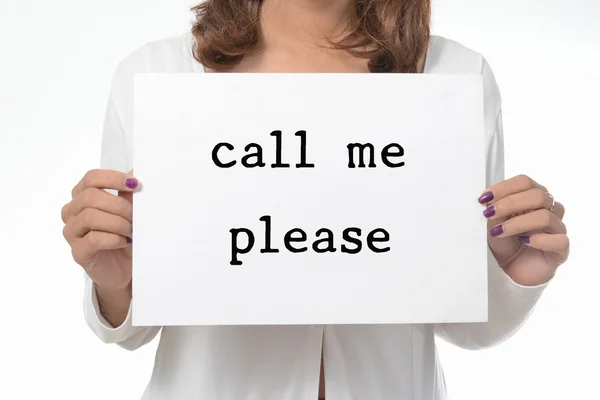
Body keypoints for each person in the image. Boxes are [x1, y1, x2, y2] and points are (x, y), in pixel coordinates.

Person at [60, 0, 570, 399]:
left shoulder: (455, 76)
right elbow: (129, 327)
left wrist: (510, 274)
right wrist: (116, 284)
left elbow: (461, 319)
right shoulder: (157, 76)